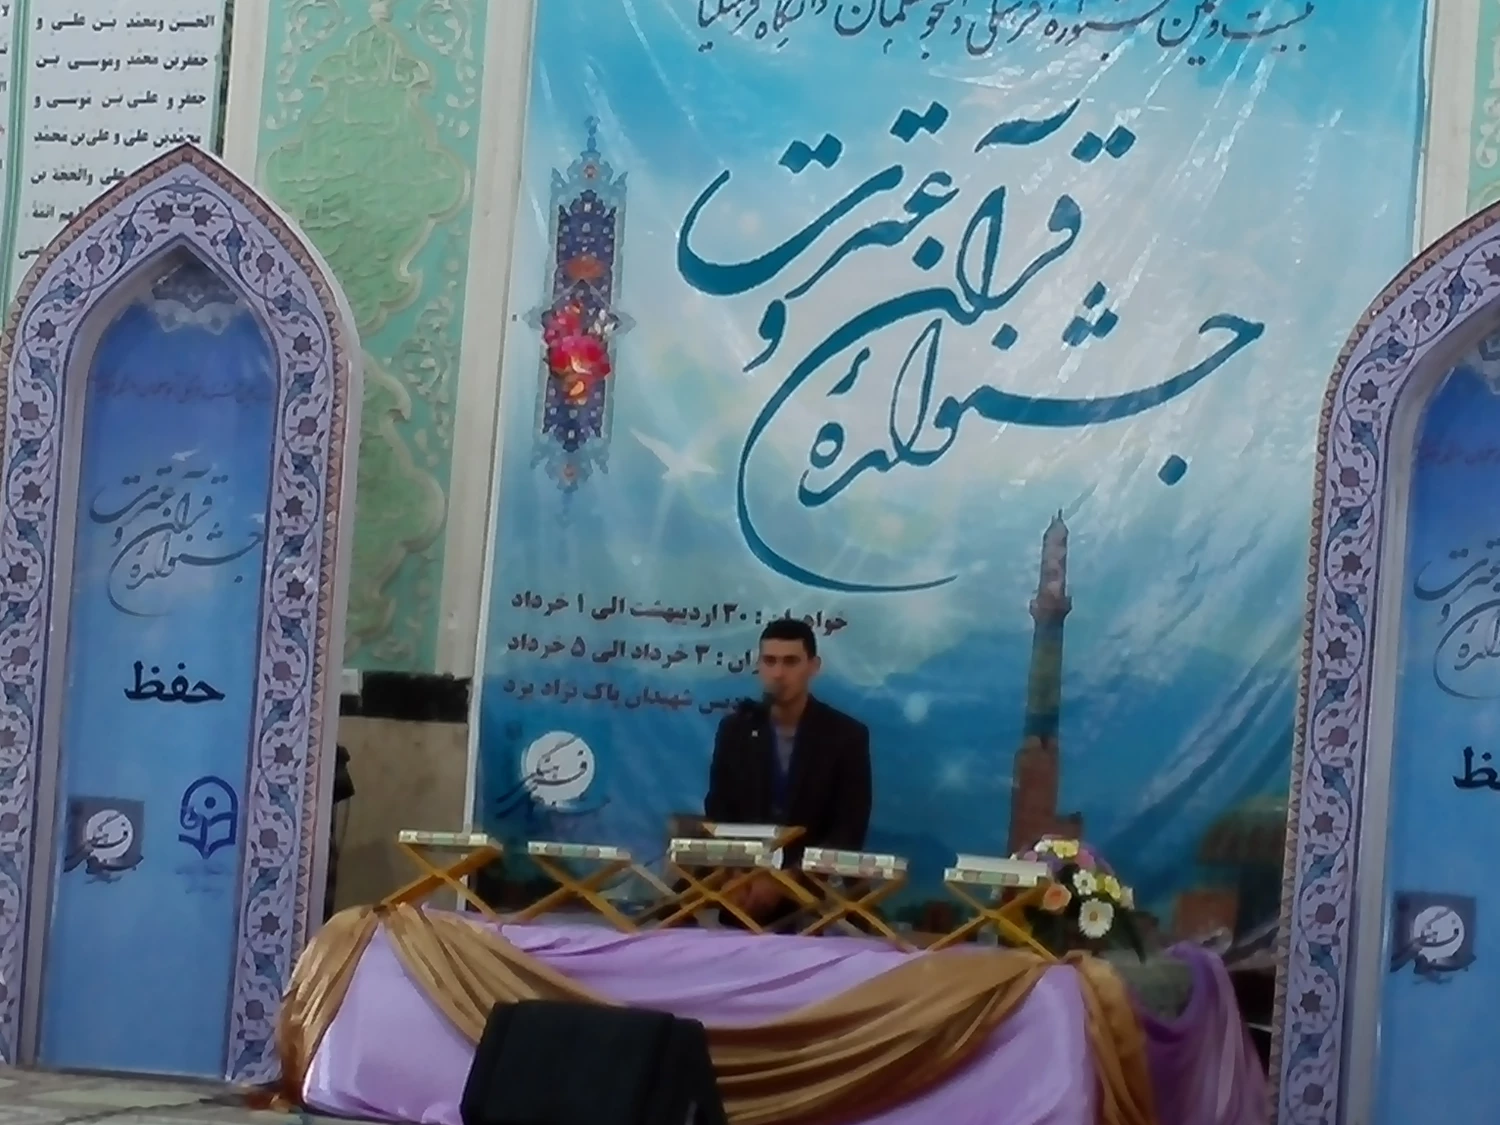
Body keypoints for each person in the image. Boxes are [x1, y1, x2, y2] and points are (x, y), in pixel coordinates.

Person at [703, 617, 871, 926]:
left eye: (791, 662)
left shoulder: (846, 736)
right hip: (744, 889)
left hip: (814, 894)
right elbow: (719, 811)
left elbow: (848, 829)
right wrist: (736, 875)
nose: (779, 674)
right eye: (770, 661)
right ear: (759, 666)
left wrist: (786, 881)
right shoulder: (735, 731)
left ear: (813, 666)